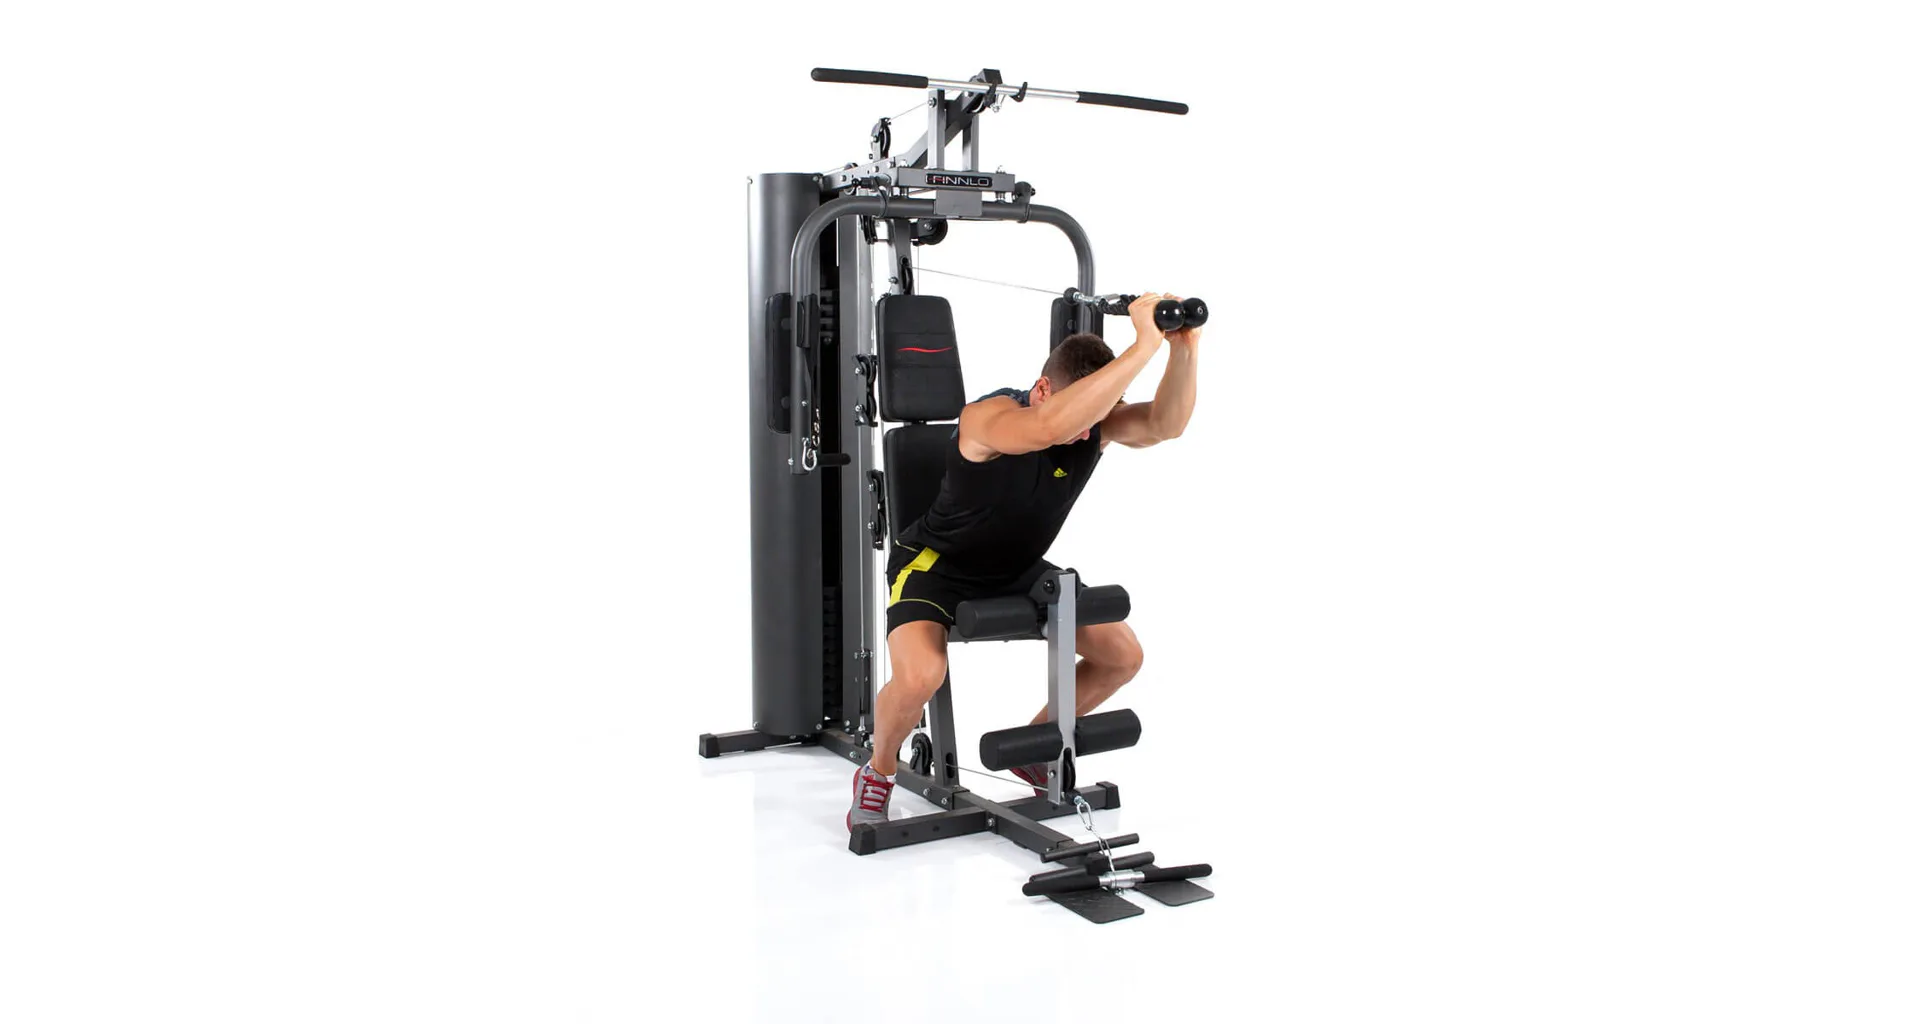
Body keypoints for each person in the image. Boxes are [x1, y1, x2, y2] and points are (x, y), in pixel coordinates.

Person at [849, 293, 1201, 830]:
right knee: (921, 677)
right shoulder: (987, 418)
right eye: (1085, 416)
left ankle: (1035, 749)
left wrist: (1183, 348)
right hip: (936, 569)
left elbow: (1163, 424)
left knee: (1122, 656)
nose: (1087, 433)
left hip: (1016, 567)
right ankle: (878, 771)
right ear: (1041, 390)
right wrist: (1142, 346)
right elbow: (1049, 429)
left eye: (1096, 420)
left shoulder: (1091, 426)